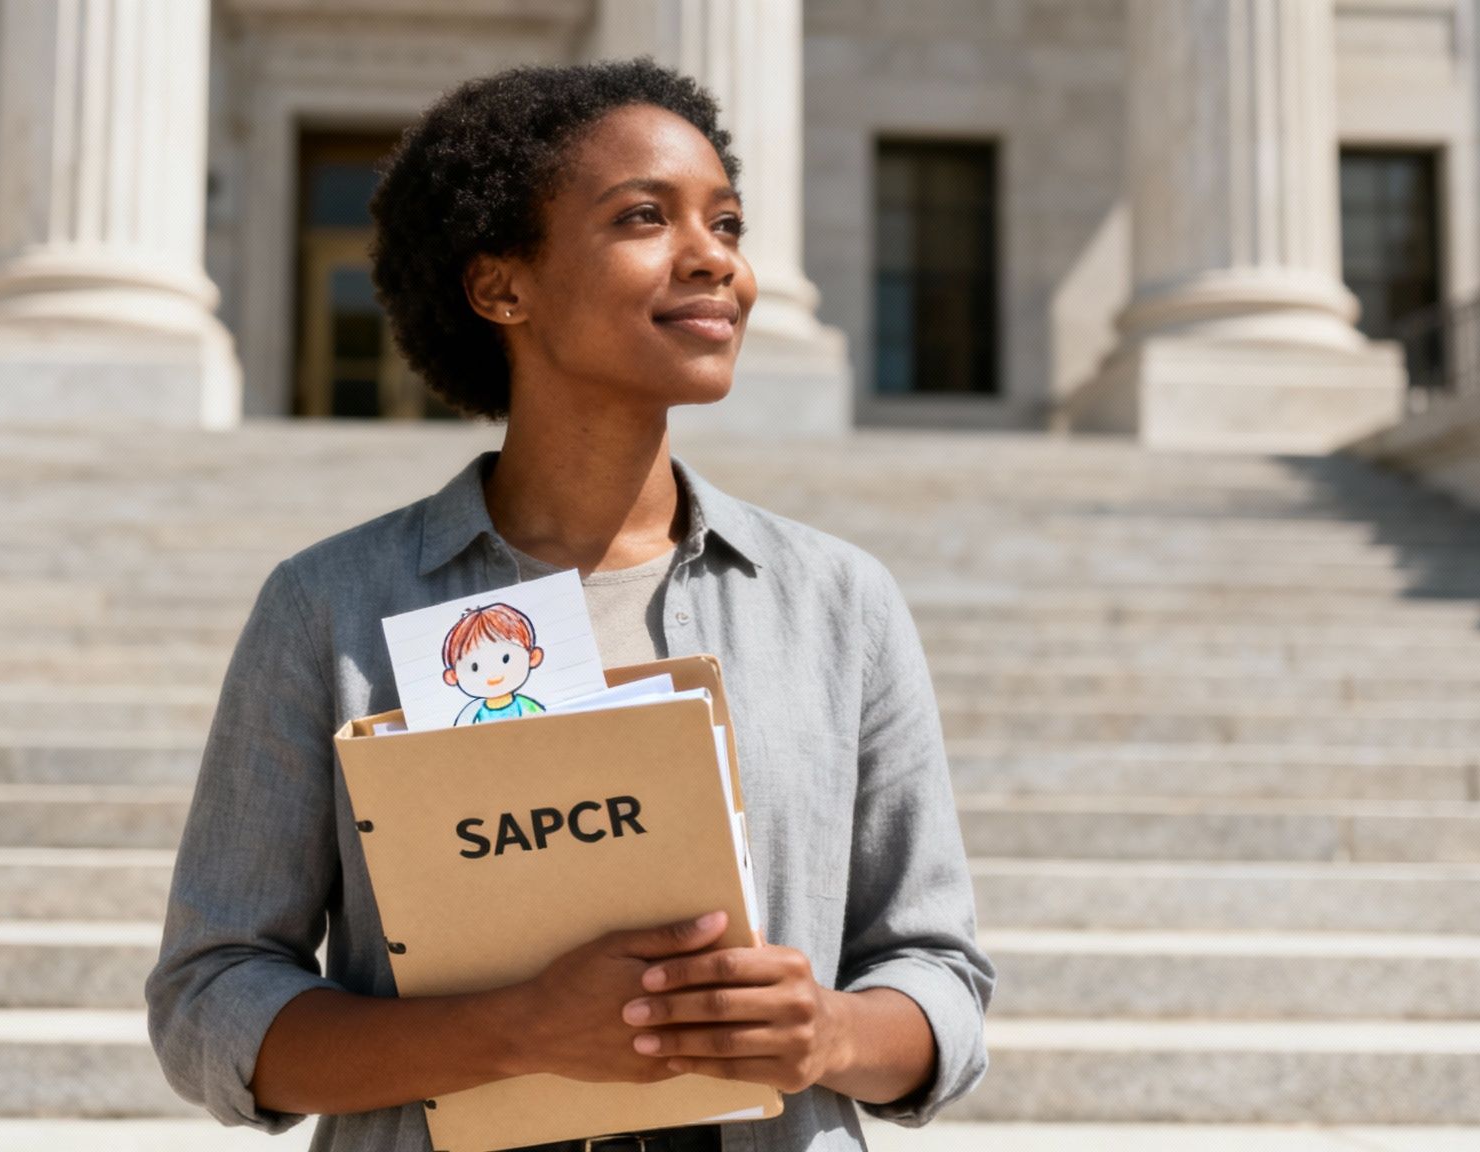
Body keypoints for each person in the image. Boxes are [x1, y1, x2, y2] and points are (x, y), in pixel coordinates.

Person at [145, 57, 994, 1152]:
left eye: (725, 223)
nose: (715, 261)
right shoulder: (330, 606)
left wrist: (826, 1035)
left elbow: (940, 979)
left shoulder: (837, 603)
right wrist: (512, 1032)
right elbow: (209, 1001)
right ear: (502, 287)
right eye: (645, 216)